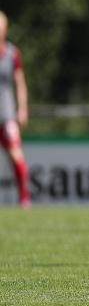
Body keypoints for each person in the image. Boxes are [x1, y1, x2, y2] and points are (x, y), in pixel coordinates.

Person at [0, 11, 31, 208]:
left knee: (16, 154)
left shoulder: (12, 53)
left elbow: (19, 82)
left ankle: (24, 199)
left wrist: (22, 108)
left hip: (6, 114)